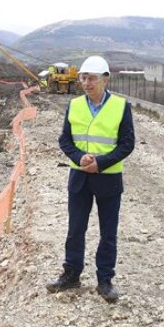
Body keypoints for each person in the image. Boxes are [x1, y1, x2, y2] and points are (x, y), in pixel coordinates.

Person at [46, 55, 135, 303]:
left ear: (105, 80)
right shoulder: (74, 106)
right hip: (79, 178)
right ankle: (71, 274)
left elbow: (127, 144)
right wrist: (79, 157)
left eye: (92, 78)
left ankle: (105, 280)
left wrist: (101, 163)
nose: (87, 83)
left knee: (108, 233)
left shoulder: (120, 106)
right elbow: (65, 139)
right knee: (75, 229)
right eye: (84, 78)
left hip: (108, 179)